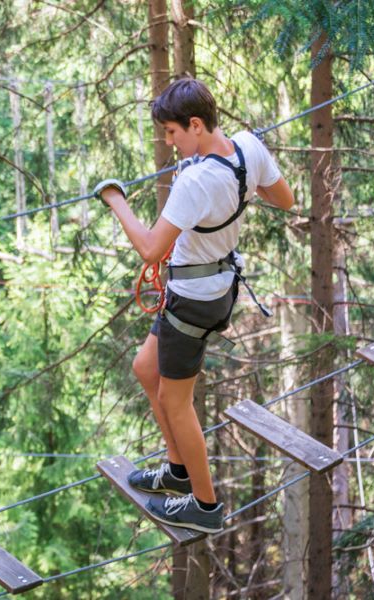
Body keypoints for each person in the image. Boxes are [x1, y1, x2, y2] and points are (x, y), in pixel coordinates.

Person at [92, 78, 294, 533]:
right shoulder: (246, 149)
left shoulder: (197, 181)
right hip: (214, 285)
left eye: (172, 133)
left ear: (196, 125)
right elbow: (283, 197)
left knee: (176, 402)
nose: (168, 143)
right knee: (147, 369)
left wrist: (115, 200)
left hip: (193, 299)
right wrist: (240, 189)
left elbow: (150, 249)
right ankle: (177, 473)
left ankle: (205, 507)